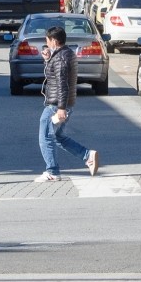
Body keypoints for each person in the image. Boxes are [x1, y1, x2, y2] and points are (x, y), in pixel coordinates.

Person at [35, 25, 98, 182]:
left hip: (56, 104)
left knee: (45, 137)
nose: (46, 43)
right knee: (57, 136)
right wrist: (48, 59)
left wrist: (61, 108)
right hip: (64, 103)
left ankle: (52, 171)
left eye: (48, 40)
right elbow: (56, 77)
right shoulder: (65, 54)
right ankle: (87, 155)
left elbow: (62, 84)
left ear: (54, 41)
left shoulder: (61, 58)